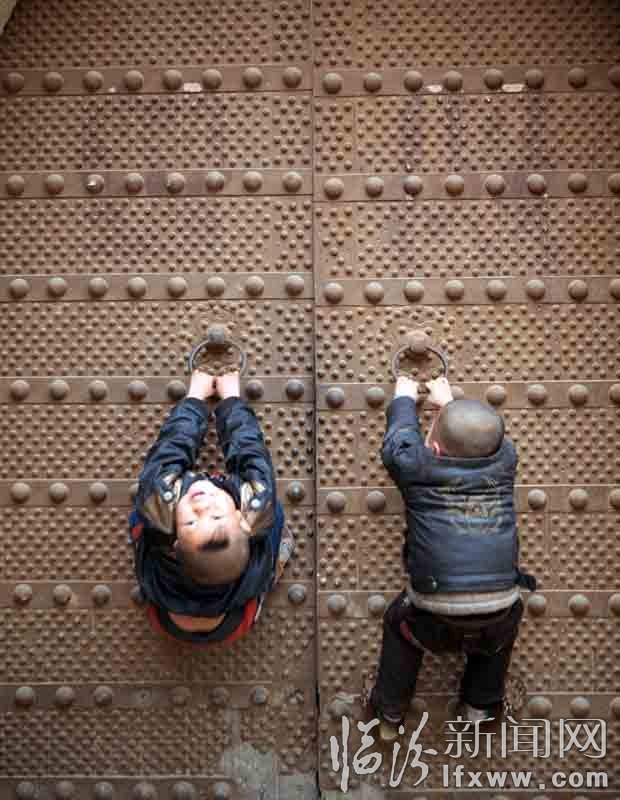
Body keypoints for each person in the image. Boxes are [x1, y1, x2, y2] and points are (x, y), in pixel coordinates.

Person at [368, 375, 536, 738]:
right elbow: (488, 440)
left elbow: (398, 445)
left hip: (433, 614)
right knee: (501, 632)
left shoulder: (419, 469)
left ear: (434, 449)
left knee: (399, 627)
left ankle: (390, 712)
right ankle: (480, 706)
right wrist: (450, 406)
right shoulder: (505, 464)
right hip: (499, 607)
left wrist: (403, 400)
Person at [128, 369, 294, 646]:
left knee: (146, 510)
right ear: (242, 520)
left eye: (191, 521)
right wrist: (231, 400)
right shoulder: (256, 507)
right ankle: (276, 562)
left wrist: (195, 397)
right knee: (271, 513)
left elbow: (171, 449)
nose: (202, 504)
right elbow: (250, 451)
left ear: (175, 544)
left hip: (166, 619)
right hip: (232, 624)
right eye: (215, 515)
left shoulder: (161, 507)